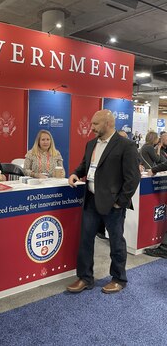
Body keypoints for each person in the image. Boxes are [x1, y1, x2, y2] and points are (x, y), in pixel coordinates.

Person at [66, 109, 140, 294]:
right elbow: (85, 165)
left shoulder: (126, 145)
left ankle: (118, 278)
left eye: (95, 124)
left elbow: (132, 178)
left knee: (116, 242)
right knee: (85, 241)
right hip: (91, 200)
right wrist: (76, 173)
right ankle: (85, 277)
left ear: (108, 124)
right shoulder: (91, 144)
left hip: (113, 204)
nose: (91, 128)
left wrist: (120, 202)